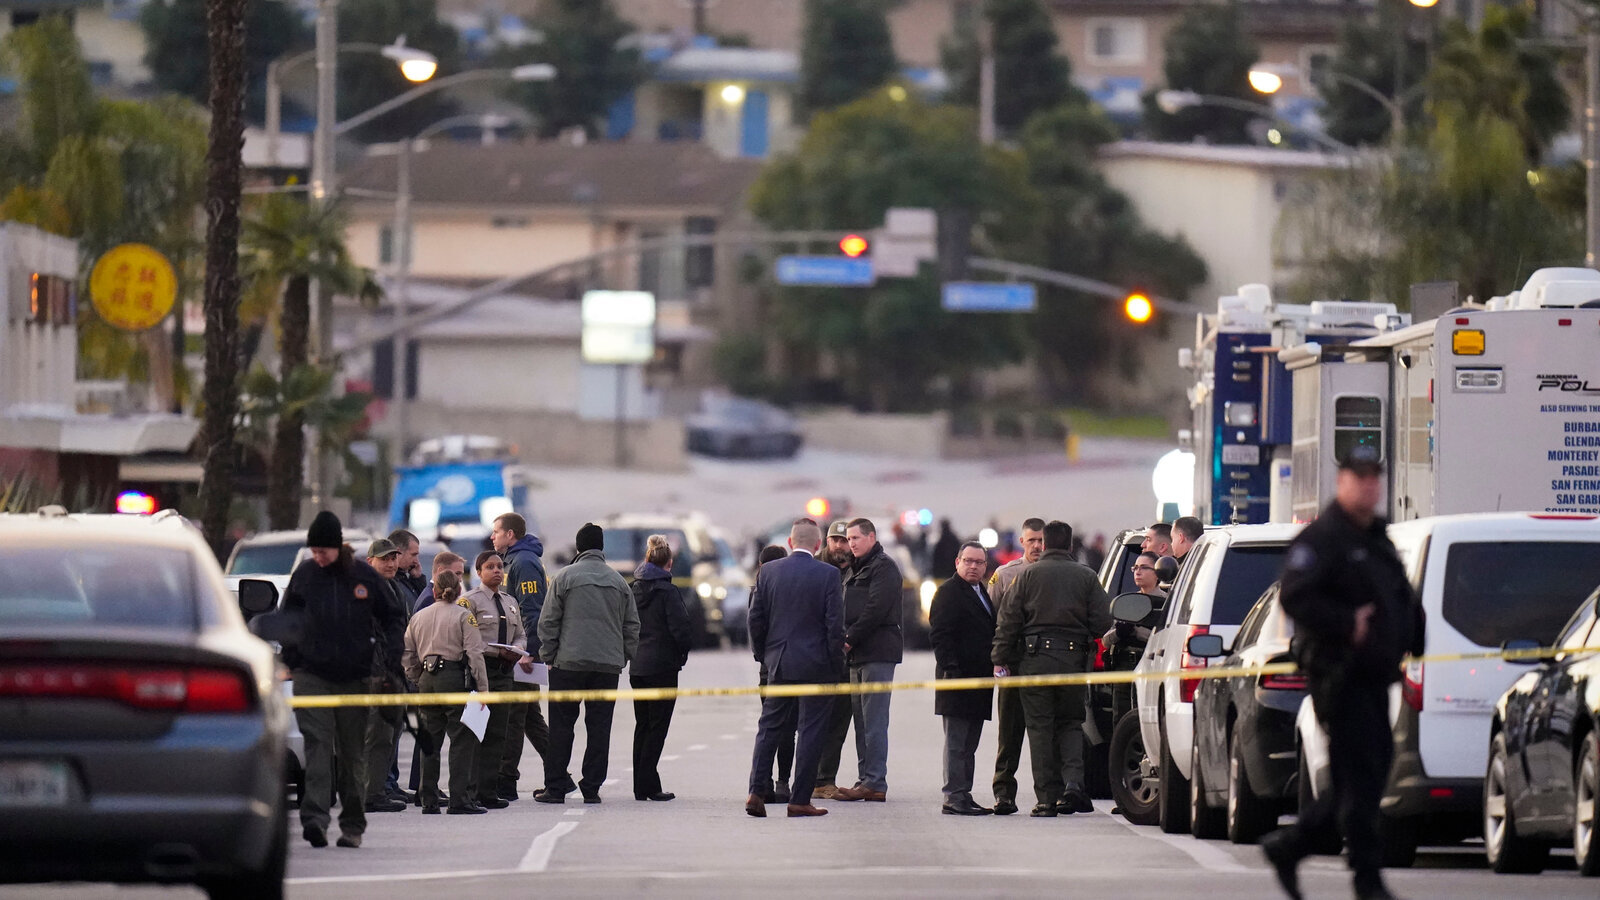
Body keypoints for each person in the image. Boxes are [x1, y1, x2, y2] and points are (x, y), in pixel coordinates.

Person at [1261, 445, 1424, 900]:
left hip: (1375, 675)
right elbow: (1295, 597)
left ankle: (1292, 846)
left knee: (1363, 777)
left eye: (1375, 477)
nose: (1369, 485)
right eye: (1359, 476)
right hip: (1341, 675)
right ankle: (1366, 879)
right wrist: (1346, 623)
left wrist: (1414, 634)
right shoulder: (1324, 539)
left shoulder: (1376, 536)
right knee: (1364, 777)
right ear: (1342, 482)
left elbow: (1398, 596)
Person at [281, 511, 404, 849]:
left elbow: (393, 616)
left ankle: (352, 825)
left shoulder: (362, 576)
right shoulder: (305, 576)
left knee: (352, 755)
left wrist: (391, 658)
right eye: (314, 550)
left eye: (323, 550)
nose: (318, 557)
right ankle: (315, 821)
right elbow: (286, 619)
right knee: (318, 748)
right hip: (312, 675)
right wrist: (293, 659)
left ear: (337, 547)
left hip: (355, 677)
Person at [992, 520, 1111, 818]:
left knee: (1040, 728)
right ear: (1071, 545)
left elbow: (1009, 620)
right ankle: (1072, 786)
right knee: (1071, 723)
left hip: (1034, 662)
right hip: (1073, 662)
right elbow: (1102, 623)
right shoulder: (1086, 576)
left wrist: (1000, 657)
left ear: (1044, 544)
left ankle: (1046, 800)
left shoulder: (1027, 575)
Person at [745, 518, 845, 818]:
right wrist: (834, 664)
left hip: (780, 662)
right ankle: (799, 799)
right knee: (811, 732)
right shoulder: (828, 575)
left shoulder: (769, 572)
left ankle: (755, 792)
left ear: (790, 543)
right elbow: (834, 626)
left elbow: (755, 619)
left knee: (769, 728)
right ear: (818, 545)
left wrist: (765, 655)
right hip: (817, 666)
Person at [536, 523, 639, 804]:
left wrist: (549, 655)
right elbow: (632, 625)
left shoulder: (563, 577)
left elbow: (548, 622)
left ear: (578, 548)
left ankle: (555, 787)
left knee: (561, 726)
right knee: (599, 728)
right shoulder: (619, 581)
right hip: (606, 667)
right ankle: (591, 787)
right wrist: (622, 656)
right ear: (601, 547)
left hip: (567, 664)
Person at [402, 570, 489, 815]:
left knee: (429, 739)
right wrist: (483, 689)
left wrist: (416, 676)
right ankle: (459, 799)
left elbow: (407, 653)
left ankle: (428, 798)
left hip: (427, 679)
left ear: (434, 591)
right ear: (458, 590)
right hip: (453, 677)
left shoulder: (418, 617)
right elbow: (474, 654)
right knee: (461, 738)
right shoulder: (464, 616)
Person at [833, 518, 903, 803]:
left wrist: (849, 638)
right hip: (857, 654)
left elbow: (875, 610)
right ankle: (866, 779)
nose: (851, 543)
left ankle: (875, 780)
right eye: (848, 539)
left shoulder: (883, 567)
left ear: (871, 537)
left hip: (876, 651)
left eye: (856, 538)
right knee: (861, 722)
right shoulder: (855, 568)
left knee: (874, 721)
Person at [929, 541, 997, 816]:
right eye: (968, 561)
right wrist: (951, 669)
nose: (973, 566)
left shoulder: (981, 591)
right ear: (957, 562)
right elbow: (940, 635)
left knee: (970, 743)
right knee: (957, 743)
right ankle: (953, 795)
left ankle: (964, 793)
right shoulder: (948, 592)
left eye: (978, 562)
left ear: (985, 566)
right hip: (957, 678)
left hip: (979, 679)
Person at [461, 550, 531, 810]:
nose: (497, 571)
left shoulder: (510, 601)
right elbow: (467, 637)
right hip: (481, 671)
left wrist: (516, 649)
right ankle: (470, 790)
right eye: (490, 567)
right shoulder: (469, 601)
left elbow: (521, 634)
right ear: (479, 572)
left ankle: (488, 791)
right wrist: (494, 651)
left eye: (500, 566)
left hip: (504, 671)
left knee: (498, 733)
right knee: (475, 732)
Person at [629, 535, 694, 802]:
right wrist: (682, 655)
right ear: (669, 564)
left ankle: (640, 785)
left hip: (638, 666)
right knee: (658, 727)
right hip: (662, 666)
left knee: (642, 725)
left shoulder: (633, 589)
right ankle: (649, 785)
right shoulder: (668, 591)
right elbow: (681, 629)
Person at [988, 516, 1044, 816]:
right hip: (1014, 663)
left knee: (1043, 735)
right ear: (1022, 542)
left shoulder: (1057, 574)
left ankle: (1048, 795)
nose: (1037, 545)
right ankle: (1004, 794)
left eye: (1041, 540)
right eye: (1032, 540)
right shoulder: (1006, 575)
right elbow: (991, 616)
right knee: (1009, 735)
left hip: (1044, 666)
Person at [493, 512, 551, 802]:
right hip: (514, 652)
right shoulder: (512, 561)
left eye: (496, 532)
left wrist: (530, 652)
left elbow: (531, 610)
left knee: (515, 718)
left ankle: (506, 781)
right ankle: (559, 774)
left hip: (522, 656)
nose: (493, 537)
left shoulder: (524, 562)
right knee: (530, 719)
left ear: (510, 535)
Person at [360, 538, 411, 815]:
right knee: (376, 734)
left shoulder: (393, 588)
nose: (390, 563)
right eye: (384, 559)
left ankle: (379, 788)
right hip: (374, 674)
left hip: (392, 671)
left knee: (389, 734)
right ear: (371, 562)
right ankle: (370, 793)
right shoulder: (365, 591)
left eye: (393, 558)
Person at [813, 519, 856, 799]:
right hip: (818, 657)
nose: (839, 546)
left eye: (844, 541)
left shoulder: (859, 569)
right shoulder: (815, 570)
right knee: (815, 722)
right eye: (835, 540)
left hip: (848, 658)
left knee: (839, 722)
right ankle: (812, 779)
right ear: (827, 542)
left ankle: (824, 779)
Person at [1102, 551, 1167, 725]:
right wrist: (1119, 633)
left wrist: (1138, 632)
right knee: (1122, 722)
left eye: (1144, 568)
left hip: (1150, 668)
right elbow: (1105, 641)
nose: (1138, 572)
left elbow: (1165, 641)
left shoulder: (1167, 603)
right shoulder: (1127, 602)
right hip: (1123, 669)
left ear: (1157, 573)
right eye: (1135, 567)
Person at [751, 544, 795, 802]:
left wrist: (761, 655)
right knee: (787, 729)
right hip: (788, 666)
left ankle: (763, 782)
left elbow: (754, 625)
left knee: (769, 726)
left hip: (768, 668)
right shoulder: (787, 590)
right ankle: (782, 781)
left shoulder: (758, 591)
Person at [389, 529, 426, 600]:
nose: (416, 561)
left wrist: (417, 578)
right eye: (413, 555)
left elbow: (422, 605)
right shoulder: (390, 583)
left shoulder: (403, 579)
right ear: (398, 553)